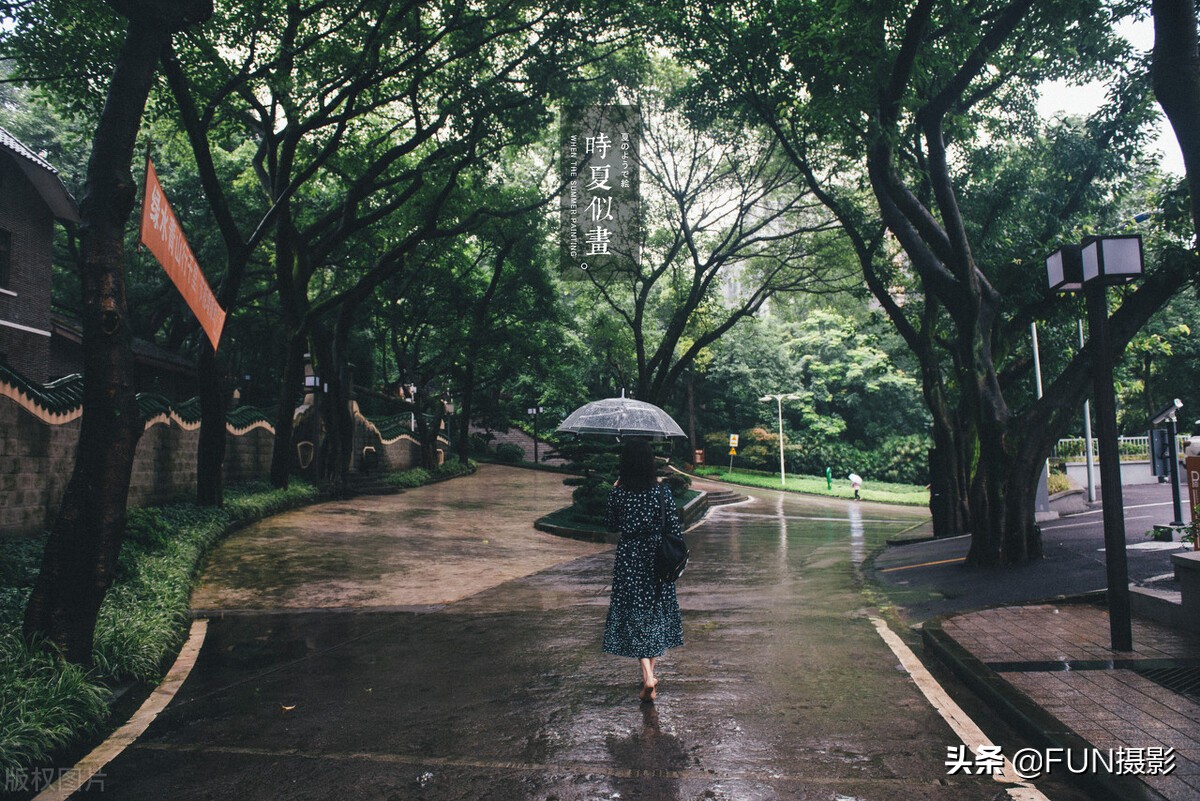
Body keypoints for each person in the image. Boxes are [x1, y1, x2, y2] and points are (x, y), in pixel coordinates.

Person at [604, 439, 684, 702]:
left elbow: (611, 525)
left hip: (630, 558)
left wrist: (614, 493)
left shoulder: (620, 491)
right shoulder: (661, 492)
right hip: (656, 558)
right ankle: (650, 676)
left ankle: (647, 675)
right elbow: (673, 526)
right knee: (655, 612)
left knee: (635, 614)